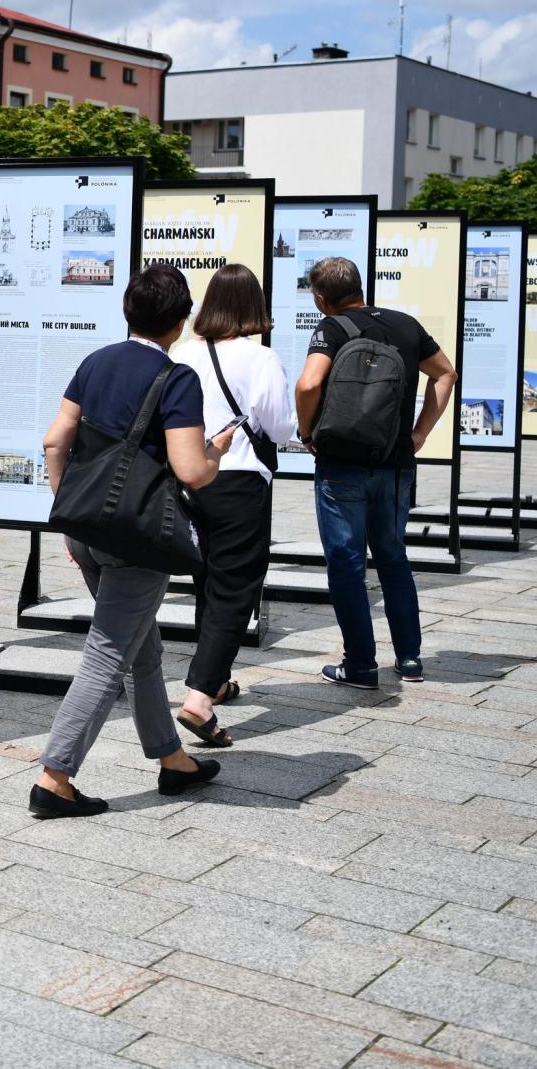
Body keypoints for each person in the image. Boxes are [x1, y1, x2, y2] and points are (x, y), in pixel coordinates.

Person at [35, 263, 232, 817]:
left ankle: (172, 759)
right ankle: (54, 777)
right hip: (139, 538)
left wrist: (70, 515)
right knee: (106, 656)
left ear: (128, 311)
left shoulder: (95, 363)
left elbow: (55, 442)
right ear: (181, 319)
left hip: (86, 529)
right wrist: (217, 451)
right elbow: (191, 471)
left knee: (142, 648)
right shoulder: (177, 378)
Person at [293, 256, 459, 689]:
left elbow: (309, 384)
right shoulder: (406, 324)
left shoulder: (329, 328)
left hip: (342, 464)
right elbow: (445, 374)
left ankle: (361, 665)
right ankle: (409, 659)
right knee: (392, 557)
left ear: (320, 298)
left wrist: (306, 431)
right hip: (395, 462)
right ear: (360, 287)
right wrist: (421, 432)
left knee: (346, 564)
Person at [170, 265, 295, 746]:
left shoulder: (184, 352)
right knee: (236, 585)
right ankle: (200, 698)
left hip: (191, 479)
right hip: (240, 480)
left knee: (207, 581)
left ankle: (215, 680)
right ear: (254, 308)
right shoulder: (259, 358)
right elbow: (281, 428)